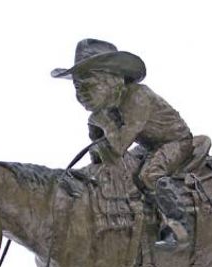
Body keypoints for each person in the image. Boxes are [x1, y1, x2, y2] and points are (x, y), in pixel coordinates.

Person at [52, 39, 194, 248]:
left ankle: (179, 227)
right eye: (77, 87)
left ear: (112, 80)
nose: (82, 94)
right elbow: (103, 154)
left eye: (89, 85)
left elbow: (117, 148)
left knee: (149, 175)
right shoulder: (108, 105)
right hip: (149, 146)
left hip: (176, 142)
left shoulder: (137, 98)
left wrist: (104, 123)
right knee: (125, 171)